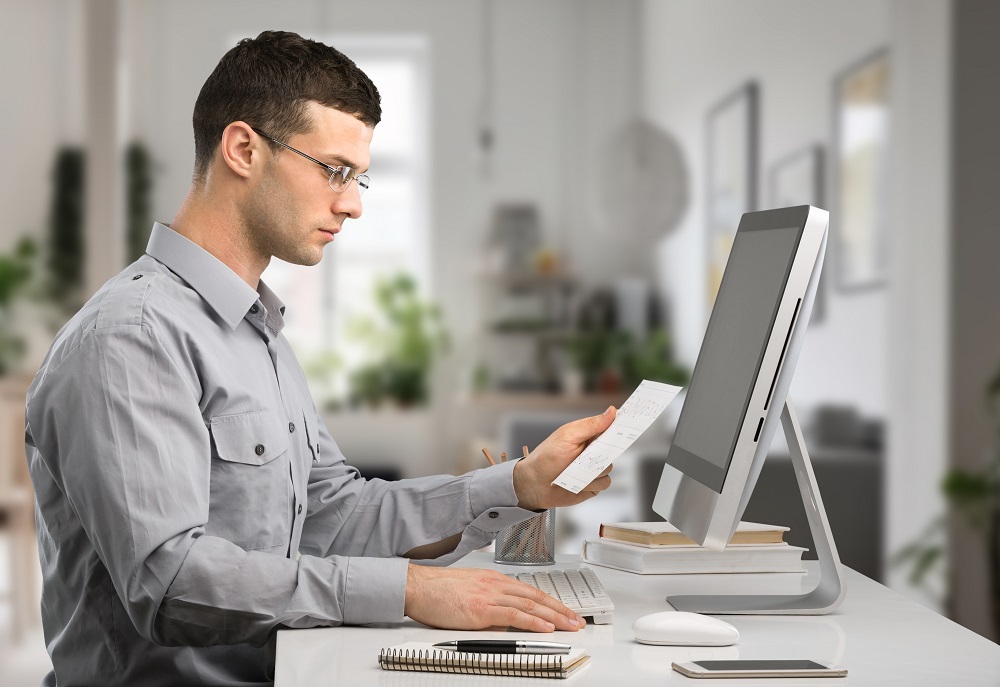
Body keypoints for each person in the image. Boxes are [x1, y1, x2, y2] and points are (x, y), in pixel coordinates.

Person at [24, 30, 615, 686]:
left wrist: (518, 485)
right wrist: (408, 590)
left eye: (358, 177)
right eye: (335, 170)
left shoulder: (255, 328)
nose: (353, 203)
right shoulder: (129, 337)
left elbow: (333, 514)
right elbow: (170, 581)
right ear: (243, 149)